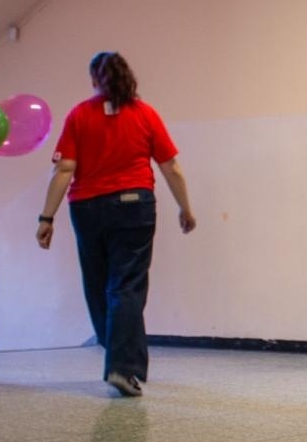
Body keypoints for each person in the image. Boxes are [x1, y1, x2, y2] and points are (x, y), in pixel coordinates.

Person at [36, 51, 196, 397]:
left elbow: (64, 169)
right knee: (126, 286)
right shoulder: (145, 114)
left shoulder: (80, 115)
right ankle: (123, 365)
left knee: (98, 286)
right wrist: (185, 208)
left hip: (87, 208)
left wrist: (46, 217)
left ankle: (121, 359)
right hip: (134, 206)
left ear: (95, 80)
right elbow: (171, 167)